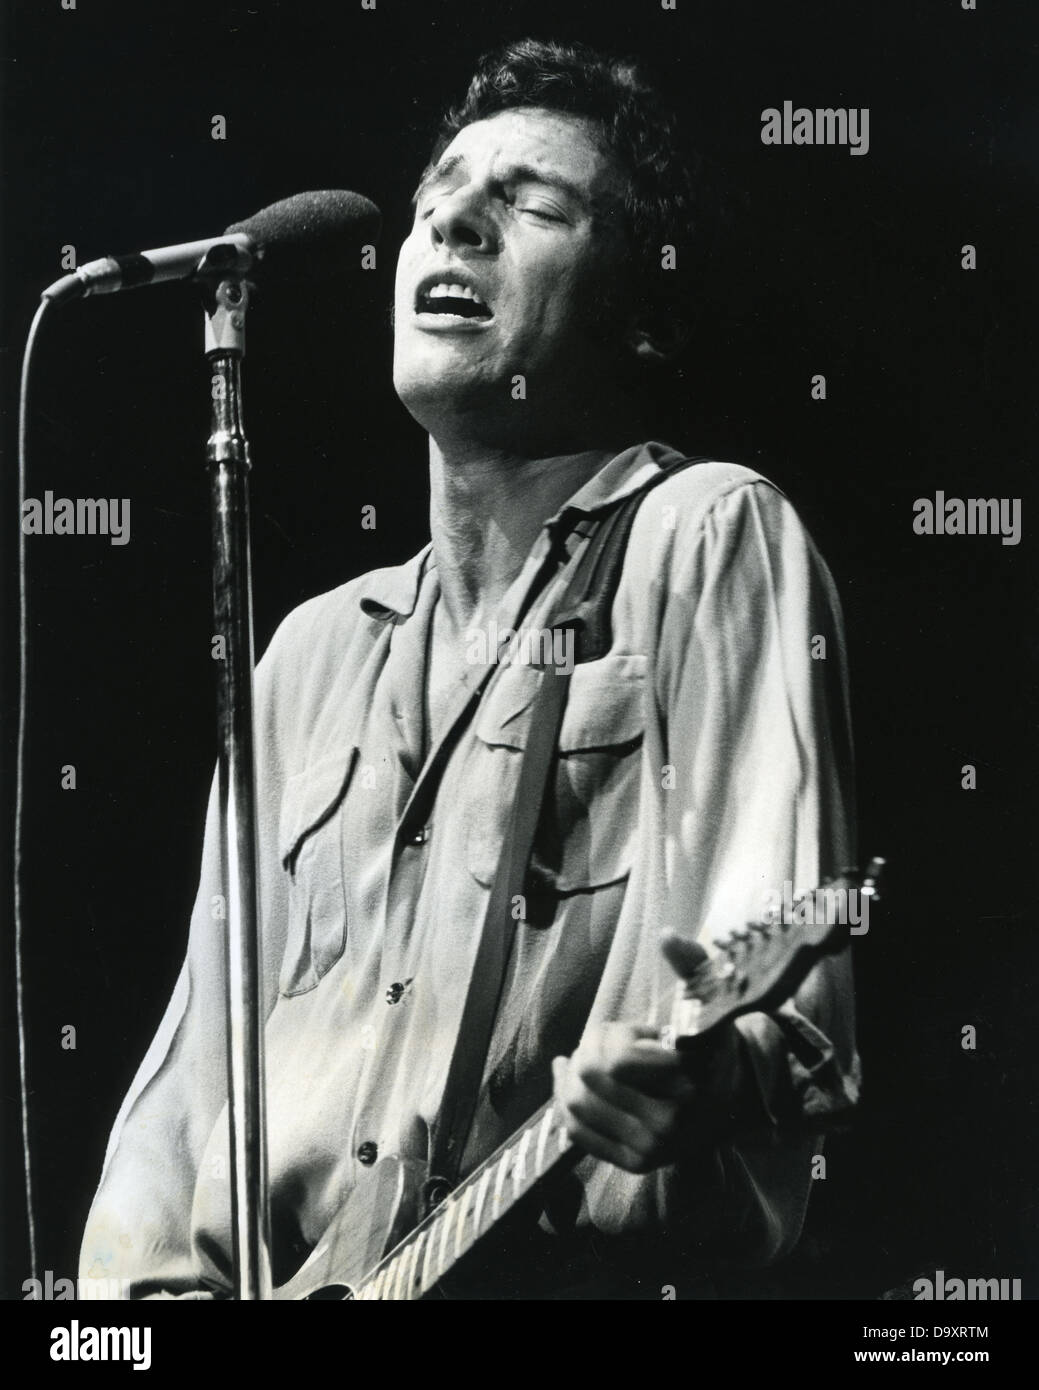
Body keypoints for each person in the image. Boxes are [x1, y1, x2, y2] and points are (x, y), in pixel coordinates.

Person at [80, 38, 859, 1300]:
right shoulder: (309, 657)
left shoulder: (704, 535)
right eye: (444, 190)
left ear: (643, 312)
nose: (453, 215)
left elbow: (785, 986)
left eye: (531, 201)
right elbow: (177, 1114)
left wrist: (715, 1073)